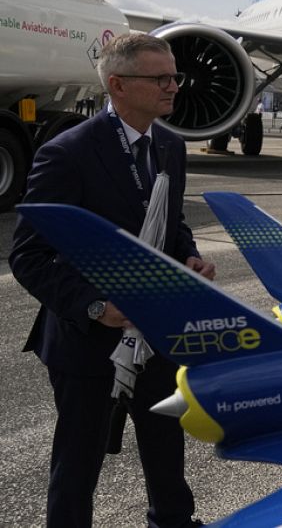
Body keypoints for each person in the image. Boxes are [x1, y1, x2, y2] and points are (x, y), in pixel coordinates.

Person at [10, 33, 212, 528]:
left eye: (174, 76)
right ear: (118, 85)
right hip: (89, 339)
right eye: (160, 78)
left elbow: (168, 223)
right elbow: (29, 255)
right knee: (79, 462)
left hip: (155, 330)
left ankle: (172, 521)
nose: (173, 87)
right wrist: (96, 307)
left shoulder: (168, 145)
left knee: (165, 449)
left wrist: (188, 254)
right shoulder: (68, 153)